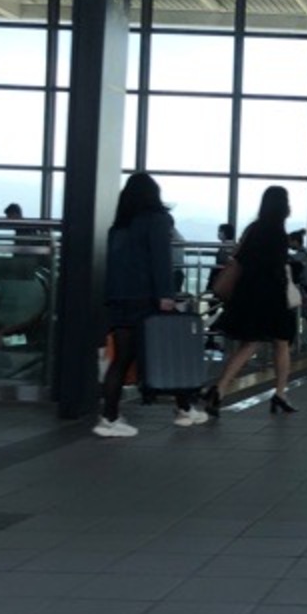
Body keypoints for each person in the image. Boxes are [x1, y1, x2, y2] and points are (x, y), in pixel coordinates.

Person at [96, 173, 206, 437]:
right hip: (146, 299)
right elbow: (160, 260)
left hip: (119, 300)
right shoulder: (157, 220)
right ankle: (184, 408)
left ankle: (109, 418)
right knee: (171, 351)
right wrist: (166, 295)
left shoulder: (119, 227)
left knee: (121, 359)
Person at [205, 185, 298, 416]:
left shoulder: (253, 229)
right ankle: (280, 394)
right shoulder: (279, 234)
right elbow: (278, 268)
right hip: (273, 296)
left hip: (249, 293)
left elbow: (239, 257)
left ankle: (219, 389)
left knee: (250, 343)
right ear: (284, 206)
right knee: (281, 343)